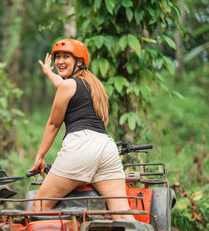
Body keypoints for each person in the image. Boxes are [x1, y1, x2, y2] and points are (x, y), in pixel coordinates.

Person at [28, 39, 134, 220]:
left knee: (38, 205)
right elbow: (63, 86)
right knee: (122, 215)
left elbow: (53, 125)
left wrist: (40, 157)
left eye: (66, 57)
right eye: (57, 57)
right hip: (106, 148)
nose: (60, 61)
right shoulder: (93, 84)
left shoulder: (68, 85)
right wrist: (48, 73)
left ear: (79, 61)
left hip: (81, 146)